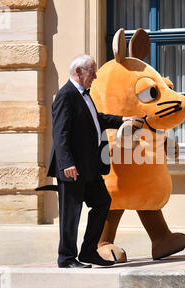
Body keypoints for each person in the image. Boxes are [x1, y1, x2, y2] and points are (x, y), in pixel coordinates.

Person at [47, 54, 140, 268]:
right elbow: (60, 133)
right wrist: (67, 163)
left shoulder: (84, 95)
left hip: (89, 167)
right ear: (79, 71)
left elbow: (96, 120)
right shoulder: (66, 95)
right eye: (92, 71)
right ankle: (67, 258)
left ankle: (88, 251)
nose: (95, 76)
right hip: (72, 168)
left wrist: (121, 120)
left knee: (102, 202)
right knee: (71, 214)